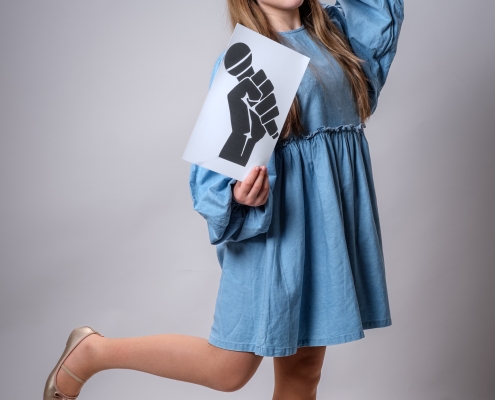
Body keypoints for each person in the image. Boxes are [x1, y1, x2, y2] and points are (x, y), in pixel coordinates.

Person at [43, 0, 404, 399]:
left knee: (303, 370)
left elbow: (378, 15)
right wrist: (238, 195)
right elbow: (217, 170)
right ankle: (92, 352)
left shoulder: (335, 38)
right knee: (229, 369)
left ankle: (91, 352)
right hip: (279, 233)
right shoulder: (250, 60)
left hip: (327, 229)